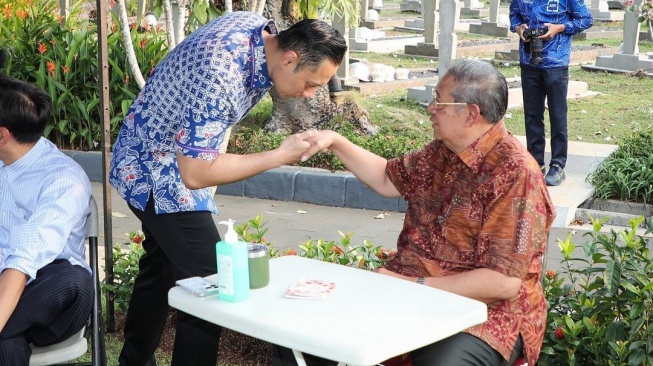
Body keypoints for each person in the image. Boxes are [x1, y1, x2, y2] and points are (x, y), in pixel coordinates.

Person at [109, 11, 347, 366]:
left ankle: (133, 360)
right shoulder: (221, 75)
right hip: (153, 170)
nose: (312, 95)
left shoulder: (256, 28)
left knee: (161, 266)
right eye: (313, 83)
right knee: (214, 281)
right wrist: (279, 155)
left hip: (167, 153)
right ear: (289, 58)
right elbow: (195, 173)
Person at [299, 59, 555, 366]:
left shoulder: (515, 173)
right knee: (310, 336)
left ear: (471, 113)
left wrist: (412, 286)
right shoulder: (442, 150)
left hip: (486, 315)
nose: (430, 108)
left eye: (439, 100)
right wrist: (335, 142)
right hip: (412, 294)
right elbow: (385, 177)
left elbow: (502, 283)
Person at [0, 75, 94, 365]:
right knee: (6, 340)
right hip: (5, 282)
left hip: (50, 298)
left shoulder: (63, 180)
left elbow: (23, 260)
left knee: (73, 280)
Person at [509, 0, 593, 186]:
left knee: (557, 115)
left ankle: (558, 165)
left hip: (556, 62)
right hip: (528, 61)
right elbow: (514, 14)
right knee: (532, 115)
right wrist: (519, 29)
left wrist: (560, 27)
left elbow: (586, 19)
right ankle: (535, 163)